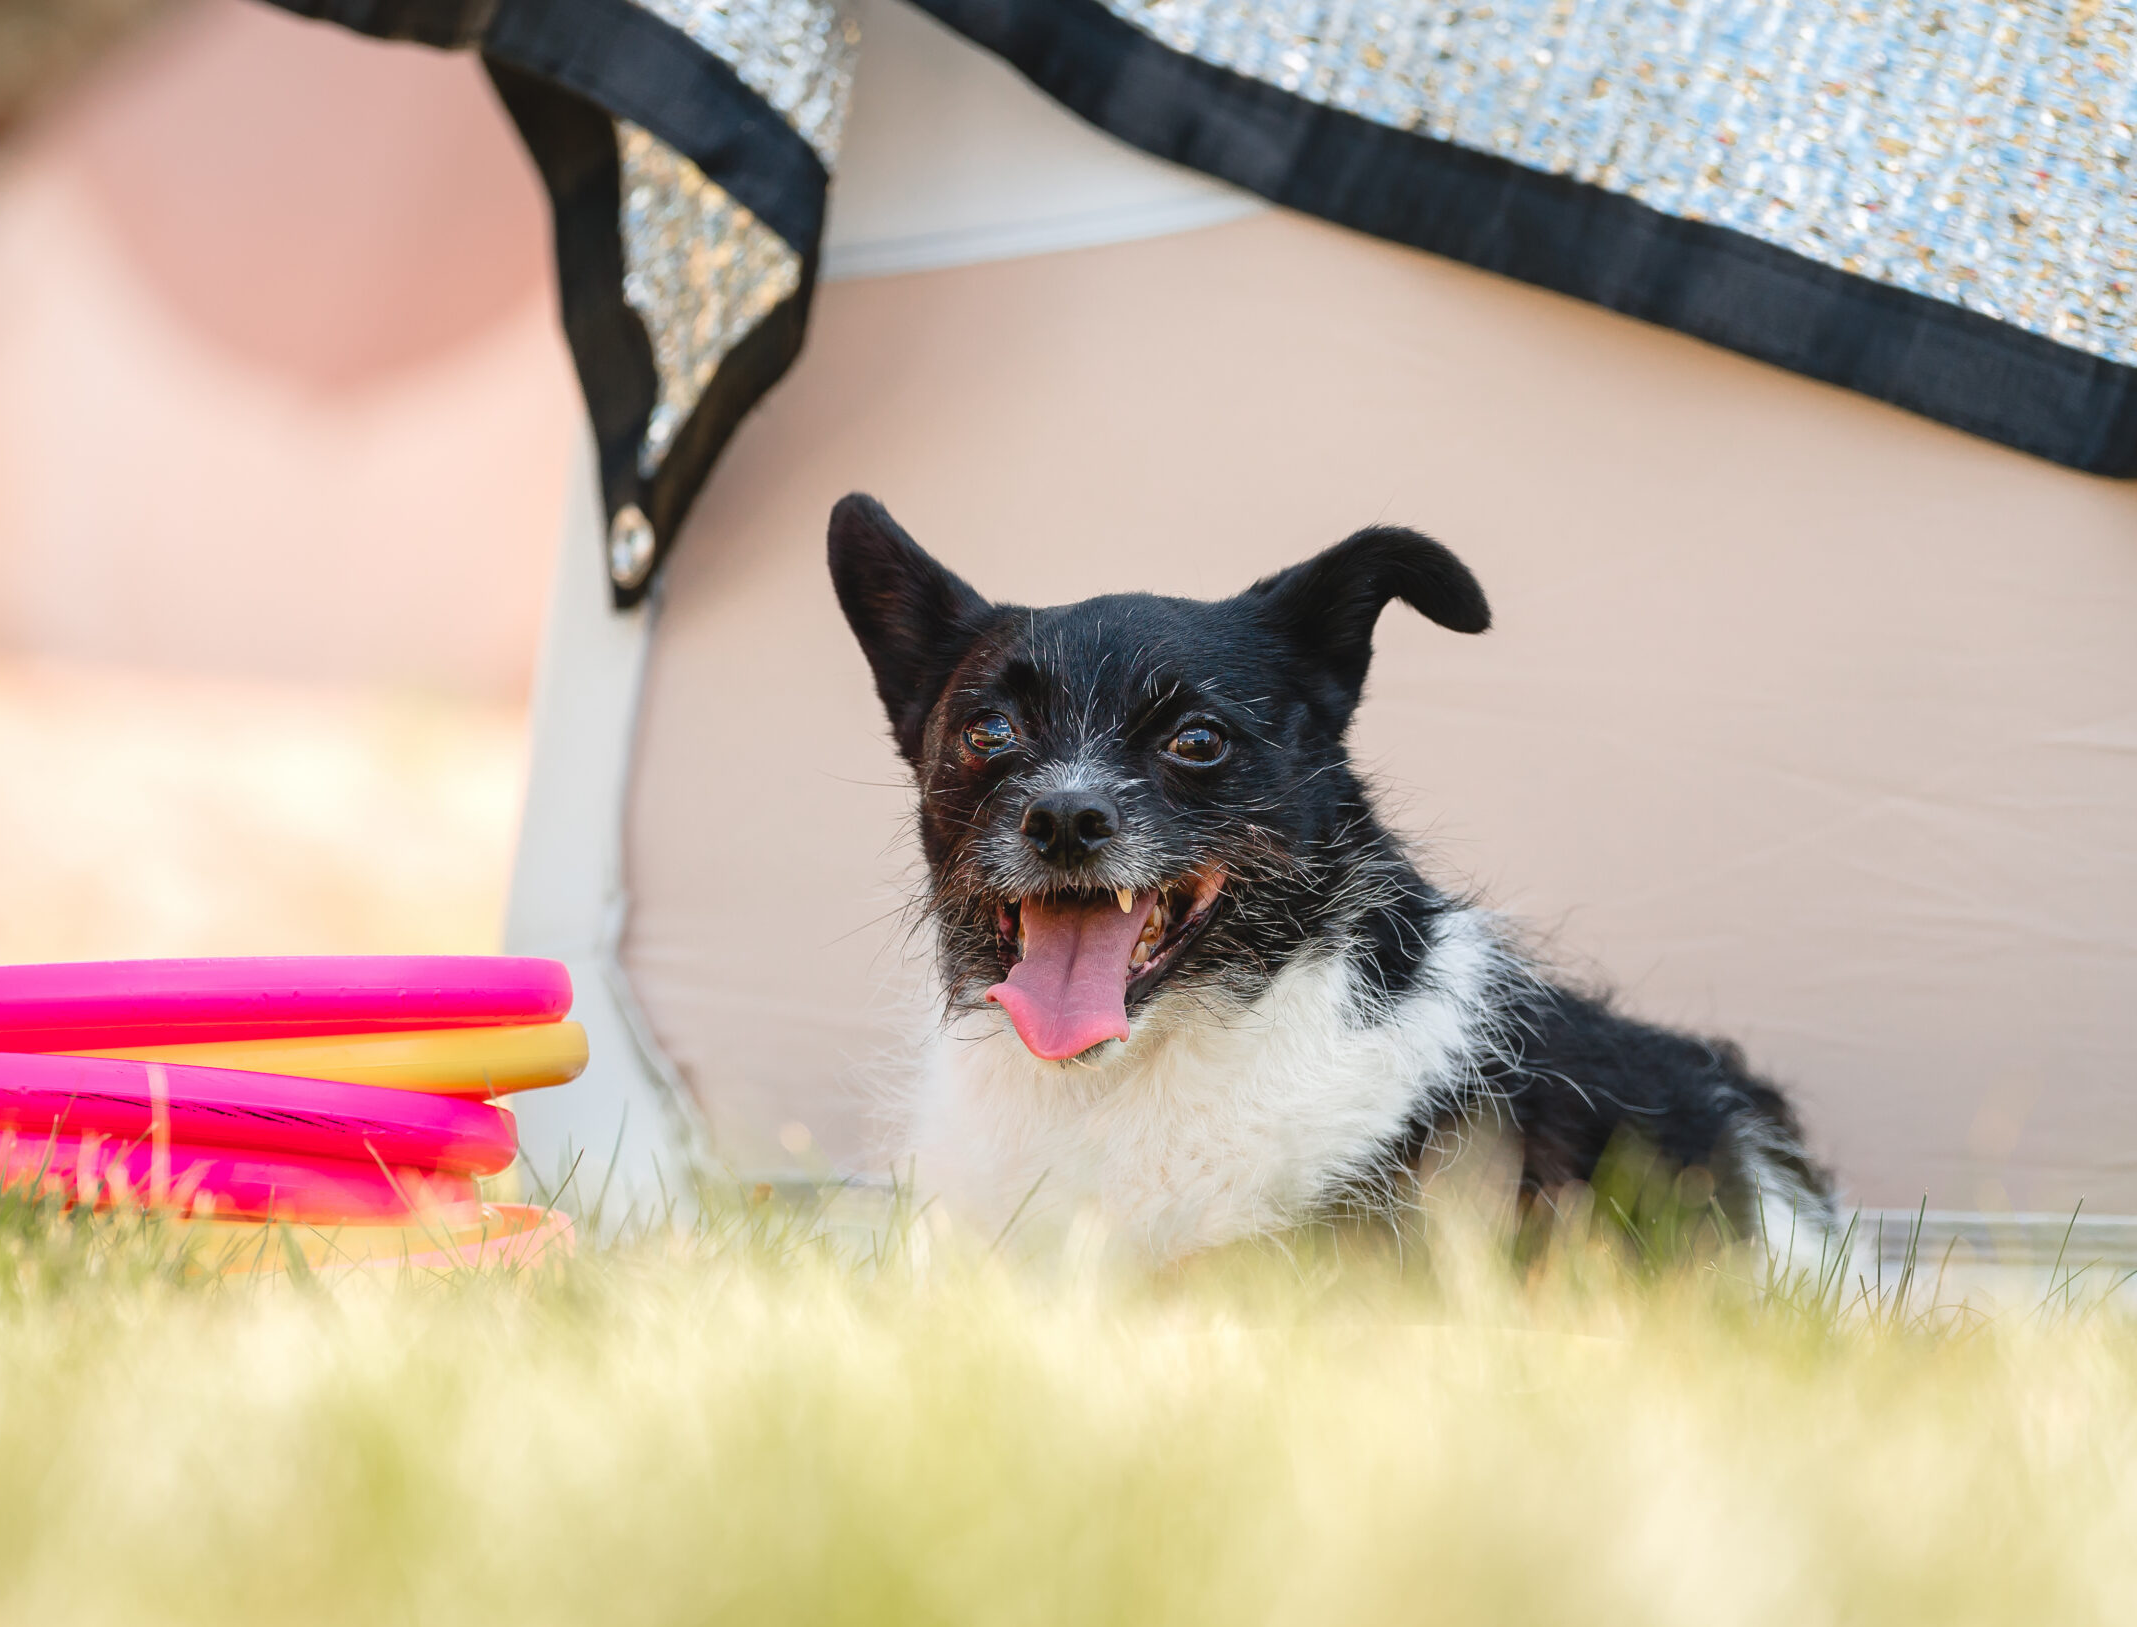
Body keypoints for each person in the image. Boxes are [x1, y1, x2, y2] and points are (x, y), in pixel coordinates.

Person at [277, 0, 2137, 1226]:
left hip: (1687, 1168)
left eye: (1185, 748)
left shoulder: (1397, 1105)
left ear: (1316, 739)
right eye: (991, 739)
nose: (1069, 798)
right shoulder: (975, 1117)